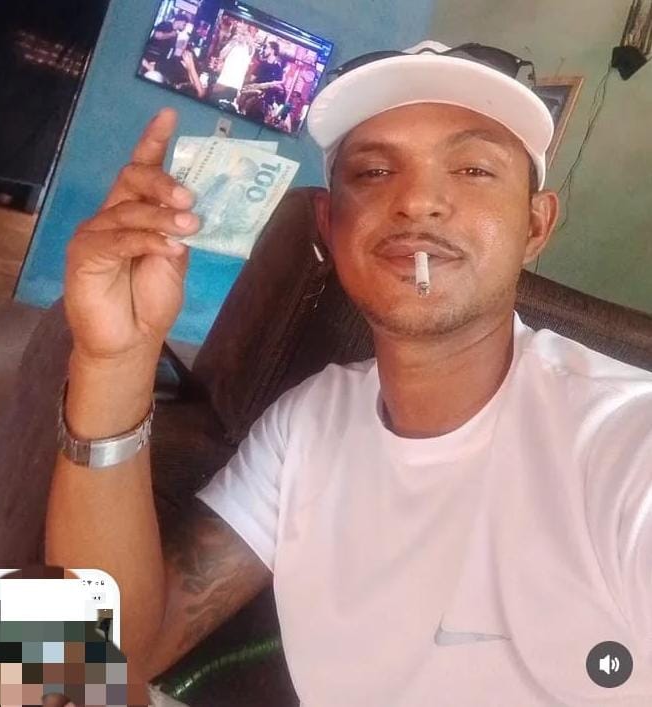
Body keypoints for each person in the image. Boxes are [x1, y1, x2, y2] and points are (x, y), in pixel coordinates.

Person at [46, 39, 652, 705]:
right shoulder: (308, 423)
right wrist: (112, 362)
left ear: (535, 226)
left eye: (474, 169)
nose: (418, 200)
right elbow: (92, 657)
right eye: (373, 171)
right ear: (330, 226)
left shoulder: (623, 444)